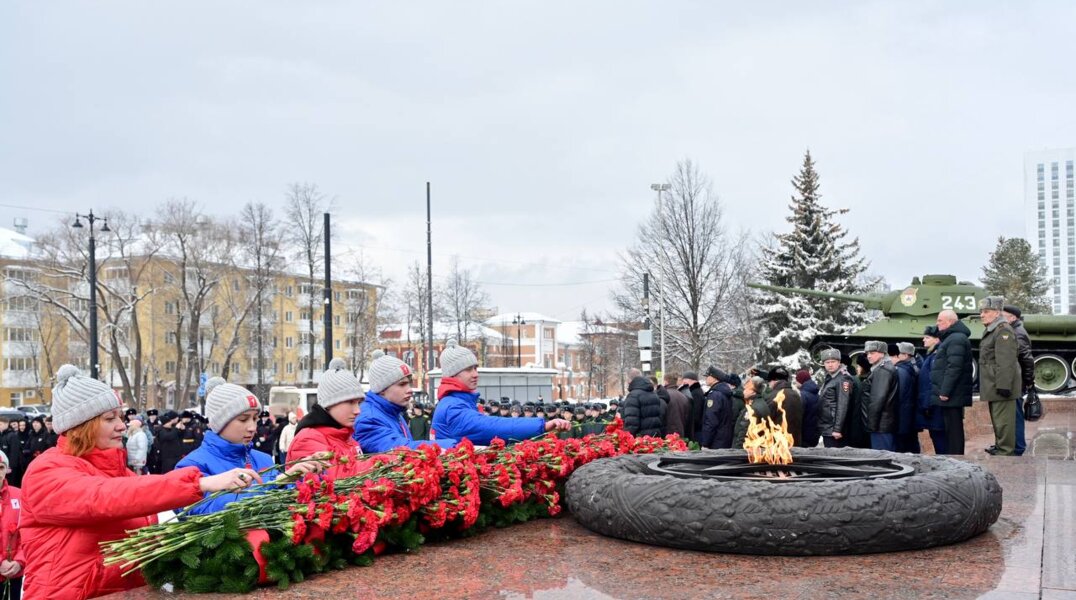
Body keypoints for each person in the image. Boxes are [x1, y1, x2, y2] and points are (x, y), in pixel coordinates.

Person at [20, 365, 257, 599]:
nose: (122, 426)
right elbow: (103, 497)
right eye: (110, 418)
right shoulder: (46, 471)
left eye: (121, 417)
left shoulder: (122, 473)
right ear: (81, 427)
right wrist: (200, 484)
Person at [177, 378, 322, 516]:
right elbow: (208, 511)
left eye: (254, 419)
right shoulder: (191, 467)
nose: (252, 427)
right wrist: (275, 483)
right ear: (219, 422)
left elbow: (284, 502)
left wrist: (305, 475)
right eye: (243, 419)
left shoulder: (263, 459)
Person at [431, 340, 570, 445]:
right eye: (468, 369)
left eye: (475, 368)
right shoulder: (452, 406)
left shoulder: (457, 401)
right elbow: (490, 427)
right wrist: (542, 426)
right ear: (452, 374)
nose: (475, 374)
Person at [355, 353, 458, 453]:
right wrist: (454, 447)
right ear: (382, 389)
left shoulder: (393, 412)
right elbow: (400, 450)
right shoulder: (368, 419)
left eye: (409, 383)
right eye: (402, 384)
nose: (410, 390)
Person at [978, 297, 1020, 456]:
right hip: (993, 384)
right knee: (998, 420)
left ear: (997, 313)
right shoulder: (993, 329)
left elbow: (1006, 362)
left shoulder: (1003, 330)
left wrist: (1004, 385)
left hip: (1000, 385)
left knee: (1004, 423)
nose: (982, 315)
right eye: (981, 312)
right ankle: (1000, 446)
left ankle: (1005, 452)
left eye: (986, 311)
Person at [930, 309, 973, 455]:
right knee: (950, 427)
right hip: (952, 393)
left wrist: (945, 391)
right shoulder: (952, 338)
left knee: (953, 428)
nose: (937, 324)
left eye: (940, 320)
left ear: (950, 322)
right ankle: (954, 455)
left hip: (952, 393)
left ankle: (956, 457)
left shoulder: (956, 339)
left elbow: (954, 366)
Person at [1003, 305, 1033, 456]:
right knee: (1013, 415)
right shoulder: (1014, 330)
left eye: (1004, 315)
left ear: (1012, 318)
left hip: (1016, 381)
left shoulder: (1017, 332)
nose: (1001, 318)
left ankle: (1019, 447)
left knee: (1015, 416)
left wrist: (1028, 381)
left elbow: (1026, 359)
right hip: (1016, 379)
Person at [861, 341, 898, 451]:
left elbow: (877, 399)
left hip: (880, 424)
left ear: (882, 353)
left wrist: (871, 425)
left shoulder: (882, 370)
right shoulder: (882, 368)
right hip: (882, 423)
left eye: (872, 353)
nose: (869, 356)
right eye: (867, 353)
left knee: (882, 458)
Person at [917, 326, 948, 454]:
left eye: (927, 337)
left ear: (936, 339)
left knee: (939, 439)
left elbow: (932, 382)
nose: (923, 340)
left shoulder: (937, 355)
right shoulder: (932, 354)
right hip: (933, 404)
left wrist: (927, 405)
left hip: (935, 406)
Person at [817, 349, 855, 448]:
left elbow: (843, 405)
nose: (830, 365)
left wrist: (837, 429)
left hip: (834, 429)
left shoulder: (843, 379)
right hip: (828, 427)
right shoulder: (831, 377)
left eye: (833, 362)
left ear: (839, 362)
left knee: (833, 459)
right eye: (827, 362)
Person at [0, 450, 23, 599]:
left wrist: (20, 561)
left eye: (1, 467)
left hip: (14, 573)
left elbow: (30, 533)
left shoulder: (19, 495)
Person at [892, 342, 921, 453]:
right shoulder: (913, 367)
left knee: (903, 445)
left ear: (905, 355)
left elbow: (900, 394)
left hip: (903, 414)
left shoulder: (902, 371)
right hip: (910, 414)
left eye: (897, 354)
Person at [765, 367, 803, 447]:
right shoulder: (796, 395)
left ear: (773, 381)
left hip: (778, 444)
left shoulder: (773, 396)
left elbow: (765, 420)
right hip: (795, 441)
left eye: (769, 382)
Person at [698, 367, 734, 449]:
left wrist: (705, 443)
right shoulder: (724, 392)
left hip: (715, 440)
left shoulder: (715, 395)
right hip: (723, 438)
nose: (706, 378)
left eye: (707, 376)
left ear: (714, 378)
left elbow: (711, 420)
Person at [620, 373, 665, 437]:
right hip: (654, 436)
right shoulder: (653, 394)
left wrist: (627, 437)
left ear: (631, 381)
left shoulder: (633, 395)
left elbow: (632, 422)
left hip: (641, 438)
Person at [731, 376, 771, 448]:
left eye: (746, 389)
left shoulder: (752, 409)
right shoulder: (761, 403)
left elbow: (743, 432)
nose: (743, 391)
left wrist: (736, 451)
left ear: (753, 392)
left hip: (747, 449)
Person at [795, 369, 820, 448]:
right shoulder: (815, 394)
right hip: (814, 434)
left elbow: (799, 415)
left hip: (804, 435)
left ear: (801, 381)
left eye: (797, 380)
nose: (795, 382)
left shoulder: (803, 395)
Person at [663, 373, 692, 438]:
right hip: (680, 432)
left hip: (667, 433)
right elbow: (687, 417)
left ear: (666, 381)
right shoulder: (683, 396)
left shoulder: (664, 395)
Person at [678, 372, 705, 441]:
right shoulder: (693, 391)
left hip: (696, 430)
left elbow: (696, 414)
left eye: (686, 379)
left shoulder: (695, 393)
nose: (684, 381)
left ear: (694, 380)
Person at [0, 419, 24, 487]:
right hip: (3, 464)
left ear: (6, 424)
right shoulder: (2, 435)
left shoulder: (12, 435)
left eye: (1, 424)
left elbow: (14, 452)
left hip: (10, 466)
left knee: (11, 483)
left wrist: (10, 466)